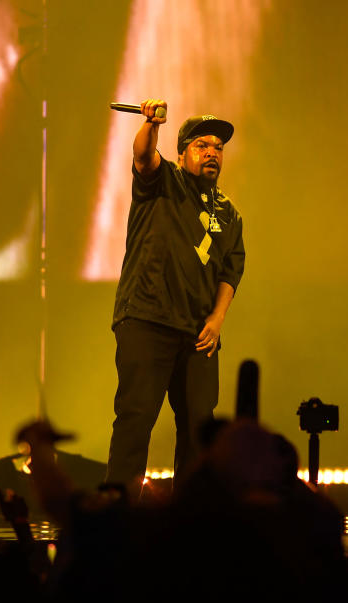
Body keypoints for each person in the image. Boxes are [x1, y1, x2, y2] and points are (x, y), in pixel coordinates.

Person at [105, 99, 245, 500]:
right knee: (135, 419)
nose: (212, 153)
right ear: (182, 152)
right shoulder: (164, 181)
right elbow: (143, 156)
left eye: (218, 147)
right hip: (147, 318)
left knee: (201, 430)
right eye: (202, 145)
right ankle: (118, 517)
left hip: (197, 332)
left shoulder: (230, 214)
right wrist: (151, 125)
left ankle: (191, 521)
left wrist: (217, 320)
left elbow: (230, 271)